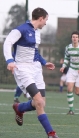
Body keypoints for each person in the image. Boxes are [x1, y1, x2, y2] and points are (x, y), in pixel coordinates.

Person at [3, 7, 59, 138]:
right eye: (46, 20)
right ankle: (51, 133)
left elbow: (35, 52)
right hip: (22, 69)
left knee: (40, 103)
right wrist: (10, 61)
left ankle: (19, 108)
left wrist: (45, 62)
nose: (46, 23)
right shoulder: (21, 29)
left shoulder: (37, 32)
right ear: (40, 18)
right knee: (38, 102)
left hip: (36, 69)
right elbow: (7, 43)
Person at [60, 31, 79, 115]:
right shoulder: (68, 48)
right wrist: (63, 66)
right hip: (72, 70)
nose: (75, 38)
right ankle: (71, 110)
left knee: (77, 92)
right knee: (69, 89)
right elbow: (66, 58)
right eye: (73, 37)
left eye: (76, 37)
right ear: (71, 38)